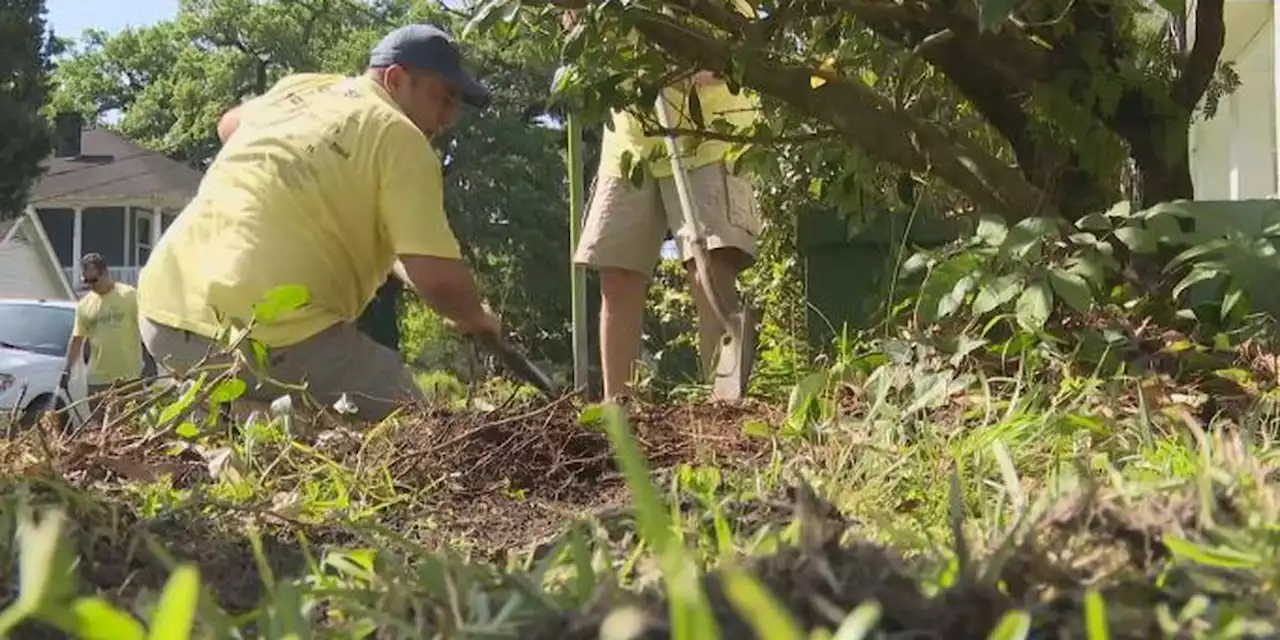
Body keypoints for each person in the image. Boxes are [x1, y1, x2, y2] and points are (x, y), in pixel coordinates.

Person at [135, 23, 501, 422]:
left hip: (162, 314)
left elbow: (229, 126)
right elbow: (439, 280)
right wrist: (476, 317)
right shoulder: (402, 138)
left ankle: (241, 414)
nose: (448, 119)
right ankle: (260, 417)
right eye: (442, 98)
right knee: (416, 425)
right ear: (396, 79)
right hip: (262, 338)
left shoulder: (306, 88)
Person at [565, 18, 764, 403]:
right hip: (631, 141)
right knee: (618, 271)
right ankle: (616, 409)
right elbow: (577, 21)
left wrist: (701, 57)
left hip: (710, 133)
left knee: (709, 263)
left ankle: (722, 404)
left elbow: (737, 44)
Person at [61, 253, 144, 424]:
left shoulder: (129, 296)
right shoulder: (84, 306)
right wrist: (66, 370)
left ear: (105, 272)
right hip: (97, 380)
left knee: (130, 428)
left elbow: (146, 328)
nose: (91, 285)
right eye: (87, 282)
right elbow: (77, 340)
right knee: (101, 430)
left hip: (129, 377)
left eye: (94, 280)